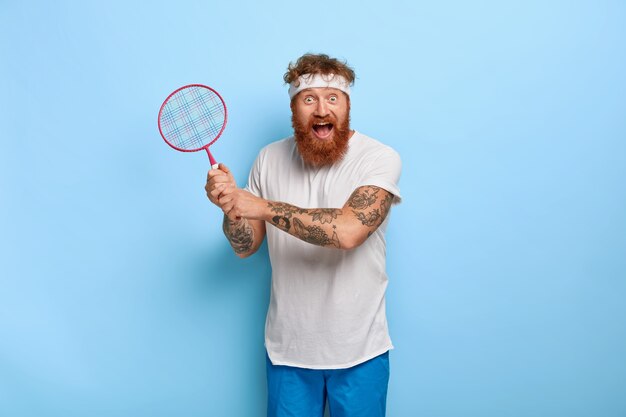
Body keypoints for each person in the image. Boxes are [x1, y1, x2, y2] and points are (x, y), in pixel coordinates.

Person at [205, 53, 402, 417]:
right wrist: (231, 208)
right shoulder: (268, 158)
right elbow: (246, 246)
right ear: (294, 108)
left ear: (347, 106)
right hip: (288, 351)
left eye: (333, 98)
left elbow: (347, 231)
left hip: (360, 349)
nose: (321, 109)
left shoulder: (378, 157)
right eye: (309, 98)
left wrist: (261, 206)